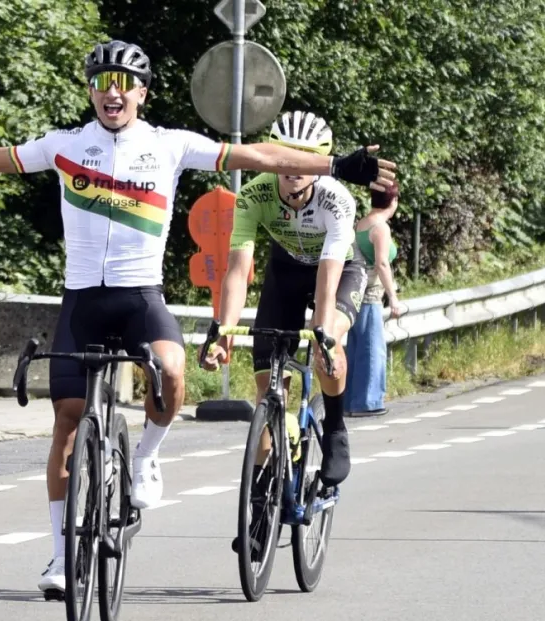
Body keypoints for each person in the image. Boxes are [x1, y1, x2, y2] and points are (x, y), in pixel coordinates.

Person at [0, 40, 396, 595]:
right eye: (103, 82)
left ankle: (147, 458)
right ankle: (60, 557)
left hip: (140, 297)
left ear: (142, 93)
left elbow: (261, 156)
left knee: (173, 371)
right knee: (66, 419)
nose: (114, 92)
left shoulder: (170, 145)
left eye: (125, 83)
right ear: (90, 91)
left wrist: (335, 165)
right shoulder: (63, 146)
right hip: (83, 299)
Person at [202, 110, 374, 557]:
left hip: (334, 274)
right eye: (286, 156)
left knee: (327, 341)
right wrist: (222, 330)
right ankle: (261, 508)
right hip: (284, 275)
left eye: (308, 158)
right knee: (267, 393)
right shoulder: (254, 193)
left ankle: (334, 426)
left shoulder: (337, 200)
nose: (295, 167)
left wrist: (321, 333)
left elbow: (328, 280)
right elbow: (238, 273)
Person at [345, 181, 404, 416]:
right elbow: (381, 263)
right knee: (372, 350)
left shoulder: (362, 223)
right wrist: (394, 297)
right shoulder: (380, 227)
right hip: (370, 295)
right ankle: (367, 402)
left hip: (355, 292)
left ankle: (350, 401)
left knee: (356, 350)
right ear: (394, 201)